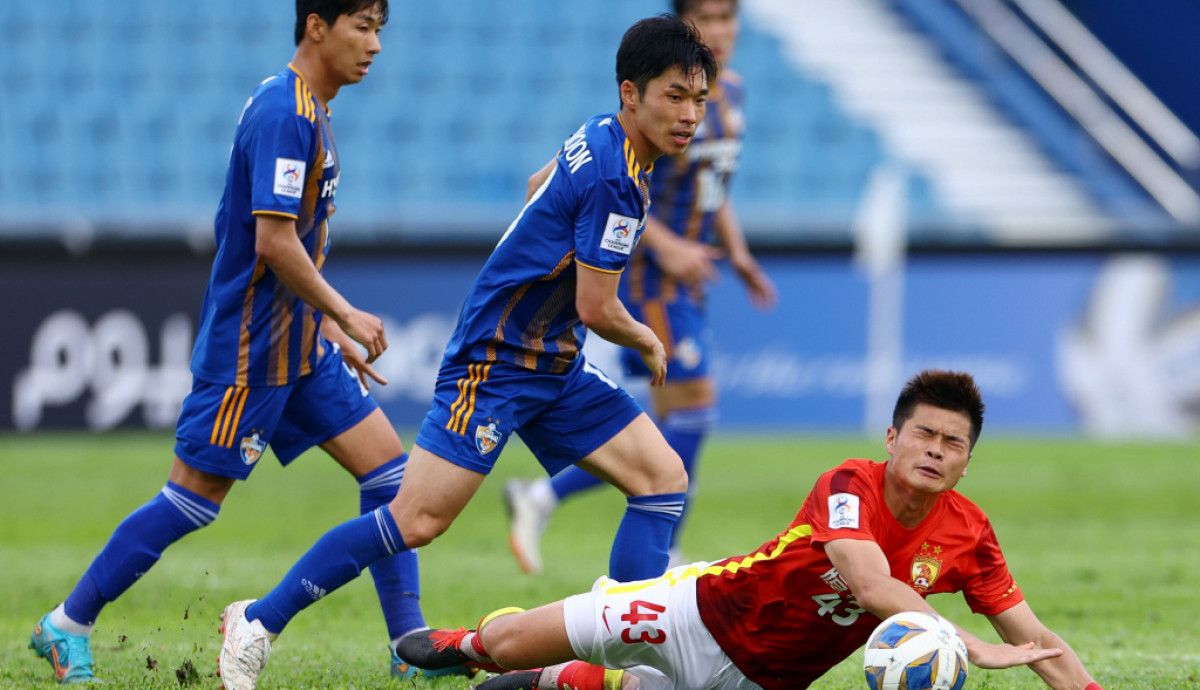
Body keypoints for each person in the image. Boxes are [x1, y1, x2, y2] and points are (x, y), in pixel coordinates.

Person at [214, 15, 719, 690]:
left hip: (551, 362)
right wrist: (647, 337)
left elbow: (541, 183)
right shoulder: (617, 181)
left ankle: (635, 660)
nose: (689, 116)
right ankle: (259, 620)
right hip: (498, 364)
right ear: (632, 93)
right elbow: (600, 309)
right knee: (416, 520)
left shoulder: (604, 135)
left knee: (661, 480)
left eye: (699, 101)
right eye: (674, 97)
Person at [28, 1, 462, 684]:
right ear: (317, 25)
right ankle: (66, 624)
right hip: (251, 351)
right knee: (192, 501)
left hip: (299, 345)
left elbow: (288, 245)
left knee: (391, 480)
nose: (375, 45)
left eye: (380, 29)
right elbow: (272, 241)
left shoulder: (311, 109)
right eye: (363, 26)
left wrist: (321, 326)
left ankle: (408, 644)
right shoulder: (284, 112)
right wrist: (344, 312)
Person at [397, 370, 1106, 690]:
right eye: (923, 434)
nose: (935, 451)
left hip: (764, 681)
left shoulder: (970, 535)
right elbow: (867, 582)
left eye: (953, 444)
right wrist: (964, 644)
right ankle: (462, 646)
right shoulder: (848, 485)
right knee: (506, 641)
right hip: (696, 614)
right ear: (891, 437)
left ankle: (550, 681)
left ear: (968, 461)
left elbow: (1036, 640)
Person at [505, 0, 777, 575]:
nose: (721, 33)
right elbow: (623, 189)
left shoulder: (729, 100)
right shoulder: (663, 107)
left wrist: (740, 253)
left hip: (691, 277)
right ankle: (663, 546)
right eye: (708, 21)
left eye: (730, 20)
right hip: (652, 279)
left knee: (665, 423)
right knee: (694, 412)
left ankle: (543, 497)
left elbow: (714, 189)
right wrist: (669, 246)